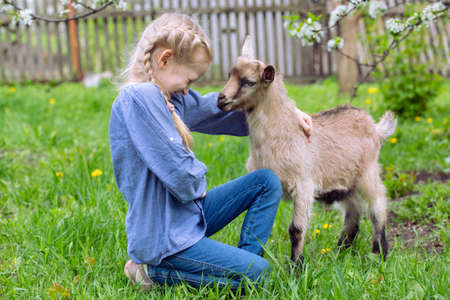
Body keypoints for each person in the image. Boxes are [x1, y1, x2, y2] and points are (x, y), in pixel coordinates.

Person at [109, 13, 313, 291]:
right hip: (164, 239)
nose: (188, 87)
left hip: (185, 218)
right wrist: (197, 184)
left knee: (266, 181)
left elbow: (216, 110)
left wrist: (286, 113)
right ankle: (152, 271)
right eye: (189, 79)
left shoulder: (169, 96)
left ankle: (243, 267)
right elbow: (181, 175)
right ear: (164, 59)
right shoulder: (138, 99)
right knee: (260, 274)